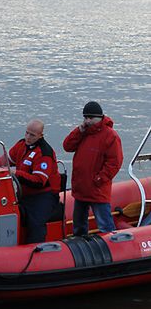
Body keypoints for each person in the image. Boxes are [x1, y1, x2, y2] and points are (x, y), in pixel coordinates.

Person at [63, 101, 123, 237]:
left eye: (91, 118)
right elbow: (67, 146)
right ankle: (79, 249)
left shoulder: (110, 136)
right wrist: (78, 131)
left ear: (100, 117)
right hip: (81, 188)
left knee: (105, 224)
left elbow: (114, 162)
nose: (87, 121)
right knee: (79, 226)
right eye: (85, 118)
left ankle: (111, 249)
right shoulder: (83, 133)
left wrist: (100, 179)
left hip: (97, 188)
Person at [8, 119, 61, 244]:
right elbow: (5, 161)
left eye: (32, 135)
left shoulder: (44, 153)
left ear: (40, 136)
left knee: (36, 223)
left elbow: (38, 181)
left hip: (44, 195)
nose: (27, 137)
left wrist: (17, 173)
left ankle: (36, 250)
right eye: (26, 133)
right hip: (25, 193)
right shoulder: (21, 145)